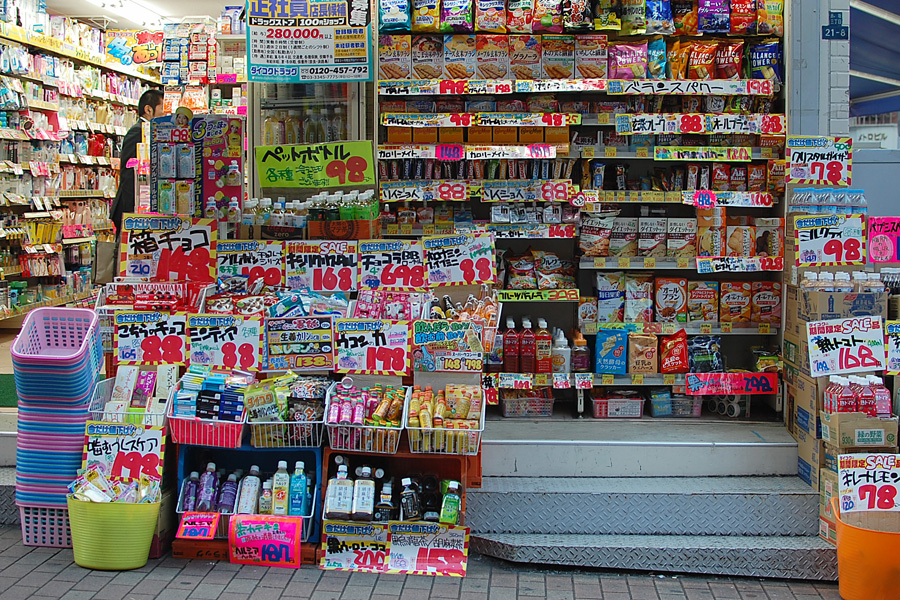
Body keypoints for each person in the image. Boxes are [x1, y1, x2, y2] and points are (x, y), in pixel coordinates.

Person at [110, 88, 165, 231]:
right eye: (162, 108)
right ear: (148, 109)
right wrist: (132, 214)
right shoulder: (138, 131)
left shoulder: (149, 130)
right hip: (131, 208)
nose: (166, 113)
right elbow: (129, 174)